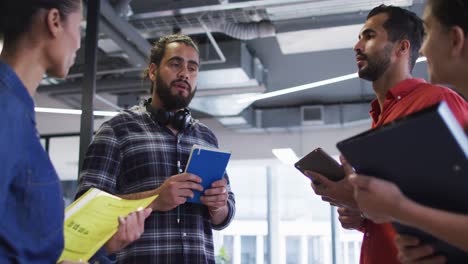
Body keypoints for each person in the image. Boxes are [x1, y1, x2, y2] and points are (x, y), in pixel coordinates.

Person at [304, 4, 468, 264]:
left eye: (369, 36)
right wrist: (363, 216)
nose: (357, 46)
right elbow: (406, 205)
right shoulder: (380, 116)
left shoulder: (437, 101)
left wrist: (358, 199)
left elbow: (454, 202)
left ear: (402, 48)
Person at [0, 1, 150, 263]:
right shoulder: (5, 109)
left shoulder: (19, 111)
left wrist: (103, 248)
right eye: (78, 27)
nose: (79, 43)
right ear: (55, 21)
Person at [76, 33, 236, 263]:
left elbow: (225, 212)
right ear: (153, 71)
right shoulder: (118, 130)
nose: (185, 73)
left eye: (192, 68)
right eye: (175, 64)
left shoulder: (206, 137)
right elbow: (86, 210)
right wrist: (154, 198)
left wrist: (219, 206)